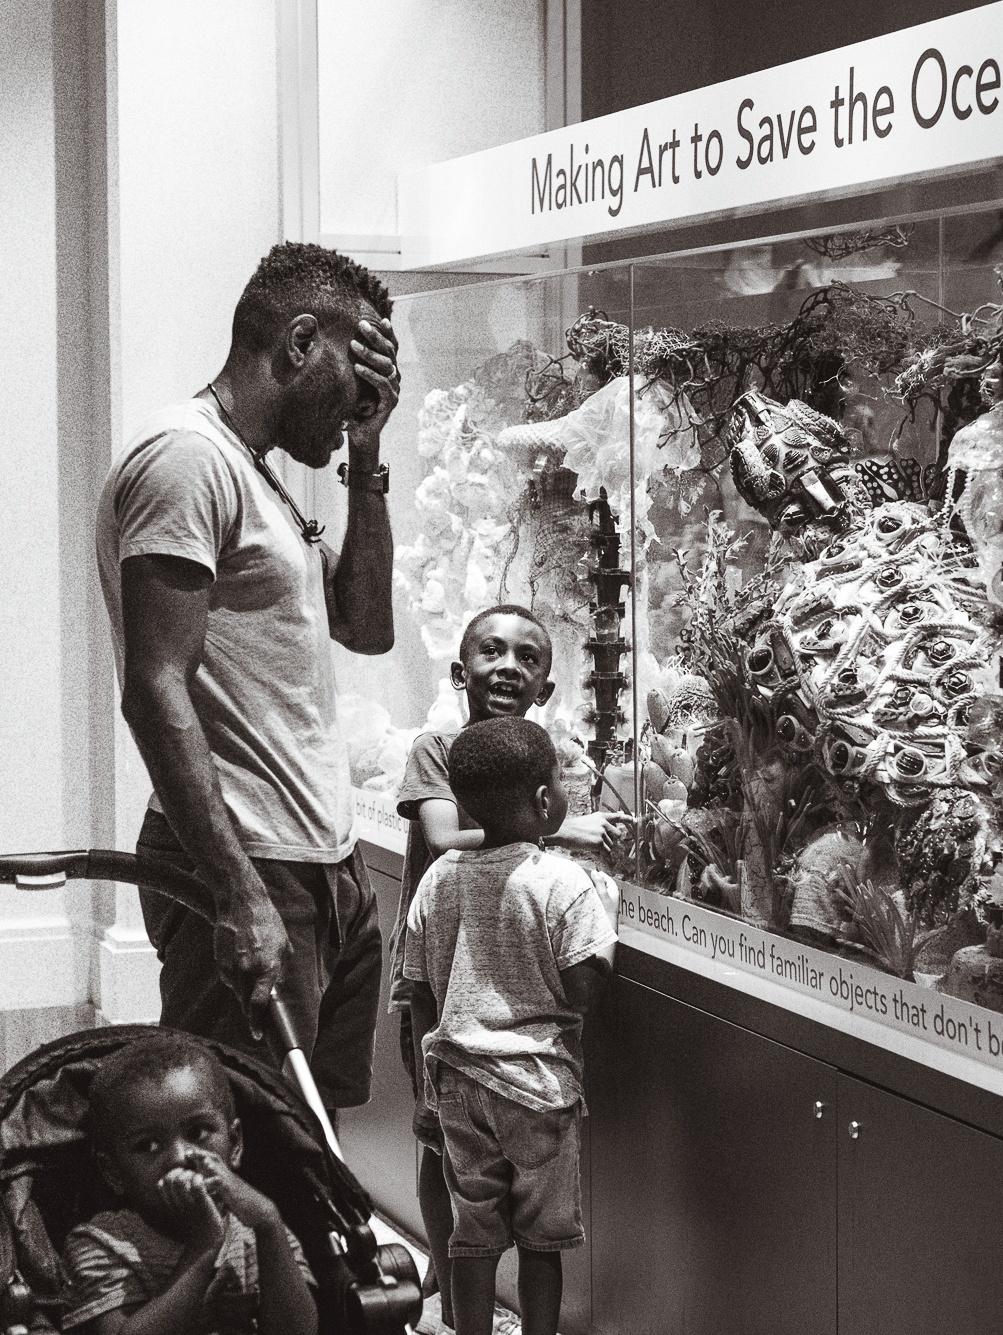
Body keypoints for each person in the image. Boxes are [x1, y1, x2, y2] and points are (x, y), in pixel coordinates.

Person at [97, 241, 400, 1108]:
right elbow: (154, 687)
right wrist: (236, 891)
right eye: (358, 372)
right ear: (301, 343)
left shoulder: (258, 474)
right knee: (238, 1143)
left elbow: (367, 626)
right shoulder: (185, 459)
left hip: (321, 865)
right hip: (250, 866)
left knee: (305, 1146)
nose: (358, 404)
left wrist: (368, 456)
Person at [390, 604, 630, 1332]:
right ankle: (444, 1261)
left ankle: (460, 1273)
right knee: (448, 1152)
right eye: (491, 650)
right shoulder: (441, 749)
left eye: (527, 656)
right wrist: (556, 828)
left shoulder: (540, 759)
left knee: (465, 1162)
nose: (508, 665)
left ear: (546, 686)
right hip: (467, 1008)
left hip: (465, 1016)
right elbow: (442, 834)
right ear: (461, 670)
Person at [63, 1033, 316, 1335]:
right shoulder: (102, 1244)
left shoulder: (257, 1228)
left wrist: (269, 1224)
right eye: (148, 1146)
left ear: (234, 1144)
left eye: (197, 1133)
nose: (180, 1158)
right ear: (114, 1172)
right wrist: (203, 1246)